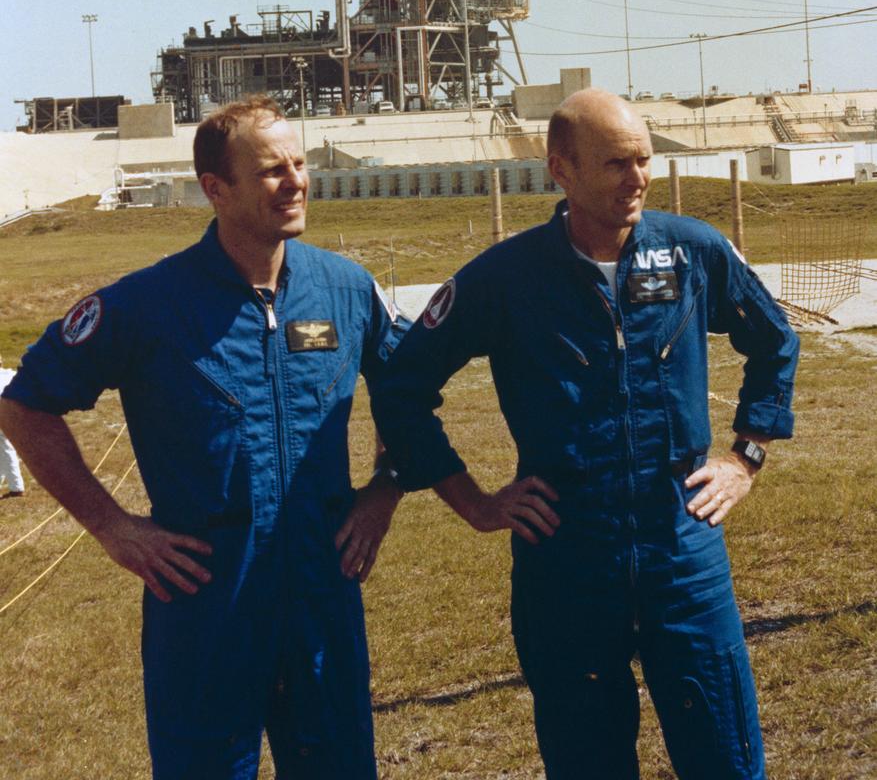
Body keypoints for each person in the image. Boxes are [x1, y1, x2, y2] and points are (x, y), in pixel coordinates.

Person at [371, 88, 799, 780]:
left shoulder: (690, 252)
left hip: (681, 552)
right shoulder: (507, 278)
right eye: (614, 164)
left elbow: (775, 342)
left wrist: (745, 457)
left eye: (643, 159)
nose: (636, 179)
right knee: (586, 761)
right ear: (560, 170)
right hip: (565, 562)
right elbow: (400, 383)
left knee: (726, 756)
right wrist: (473, 502)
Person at [0, 95, 408, 780]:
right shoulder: (146, 305)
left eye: (300, 164)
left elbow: (409, 387)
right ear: (216, 189)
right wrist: (113, 527)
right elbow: (25, 407)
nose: (295, 182)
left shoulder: (345, 289)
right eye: (272, 171)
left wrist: (386, 490)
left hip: (321, 593)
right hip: (205, 599)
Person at [0, 358, 25, 497]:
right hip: (16, 417)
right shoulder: (10, 374)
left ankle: (16, 487)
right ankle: (15, 485)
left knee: (5, 450)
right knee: (4, 451)